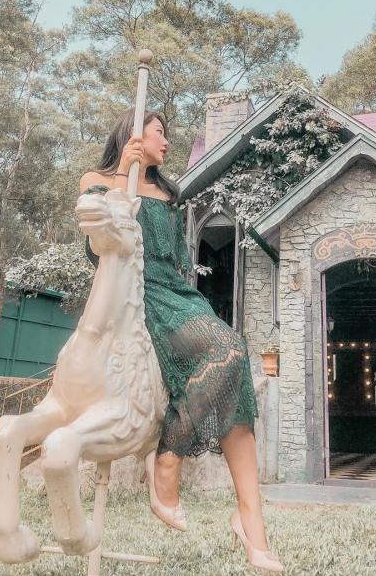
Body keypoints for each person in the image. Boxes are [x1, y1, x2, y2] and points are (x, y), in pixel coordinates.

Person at [80, 108, 283, 573]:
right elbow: (100, 245)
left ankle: (251, 521)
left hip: (177, 293)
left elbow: (174, 259)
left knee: (235, 377)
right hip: (135, 291)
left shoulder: (169, 194)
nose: (166, 141)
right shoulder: (96, 180)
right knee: (230, 349)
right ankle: (168, 459)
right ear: (133, 135)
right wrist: (123, 176)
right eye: (159, 132)